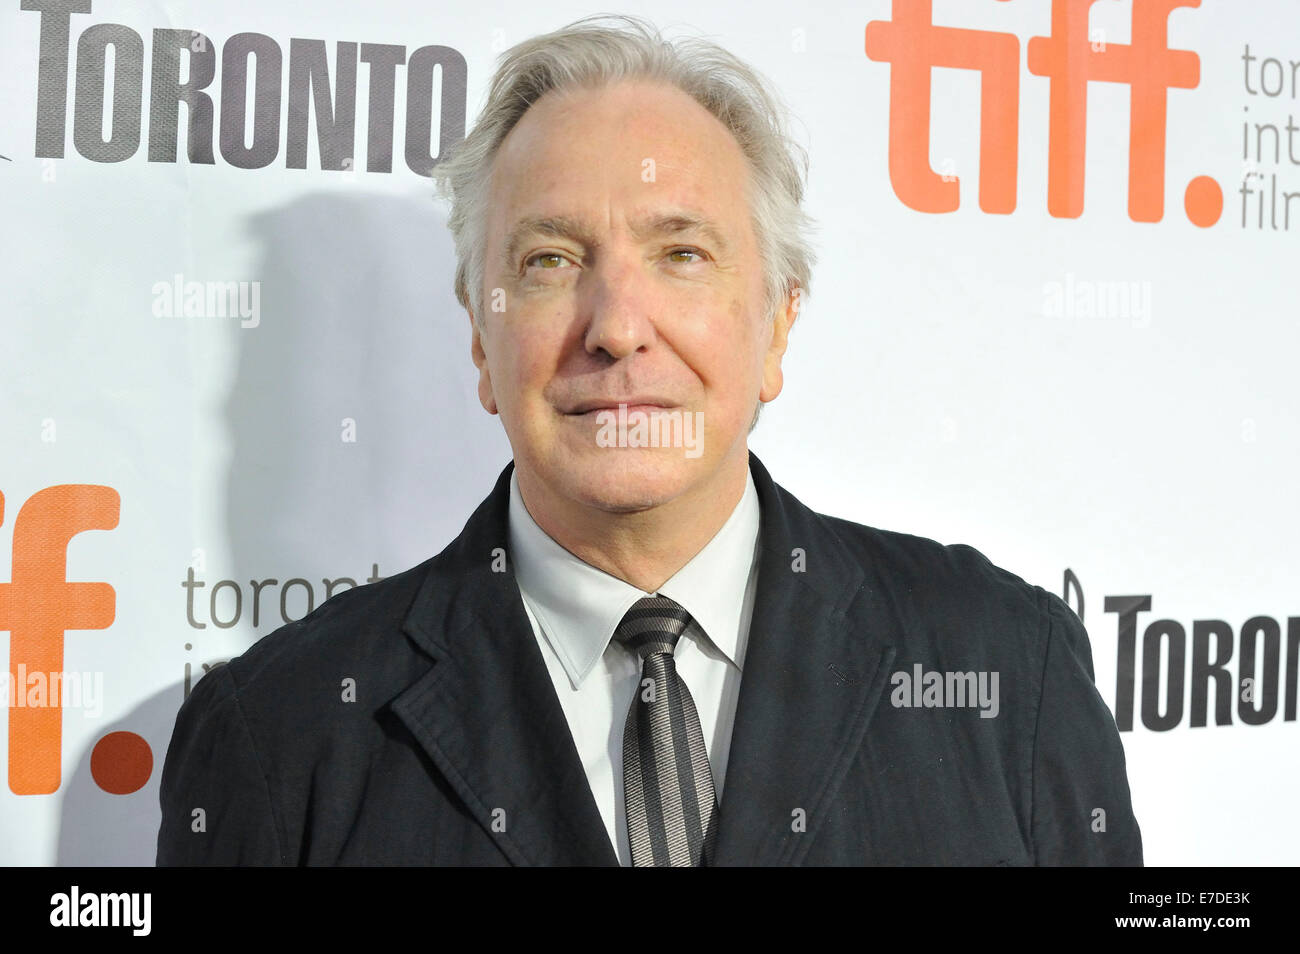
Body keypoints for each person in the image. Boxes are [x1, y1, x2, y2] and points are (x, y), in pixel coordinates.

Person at [156, 14, 1142, 866]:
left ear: (777, 324)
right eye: (550, 259)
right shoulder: (277, 735)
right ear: (478, 331)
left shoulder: (1009, 669)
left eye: (681, 254)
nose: (617, 325)